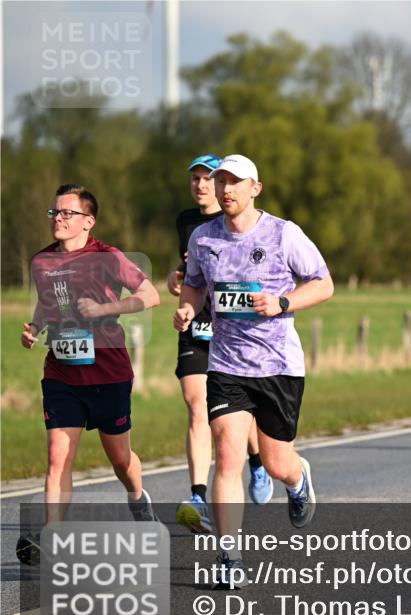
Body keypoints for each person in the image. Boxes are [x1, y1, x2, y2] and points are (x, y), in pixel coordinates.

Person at [173, 154, 333, 589]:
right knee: (227, 455)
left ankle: (297, 480)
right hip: (226, 365)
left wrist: (282, 303)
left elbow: (323, 284)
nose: (225, 189)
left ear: (255, 188)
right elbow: (195, 284)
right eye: (220, 181)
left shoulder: (283, 233)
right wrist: (188, 308)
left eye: (235, 182)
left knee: (278, 462)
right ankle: (229, 557)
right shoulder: (204, 237)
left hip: (278, 365)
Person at [17, 184, 161, 564]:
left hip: (108, 372)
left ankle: (137, 497)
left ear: (88, 221)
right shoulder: (42, 262)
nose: (58, 218)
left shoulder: (107, 257)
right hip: (61, 373)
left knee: (120, 460)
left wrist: (103, 309)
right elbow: (48, 305)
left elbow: (151, 296)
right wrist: (35, 328)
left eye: (67, 213)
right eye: (55, 212)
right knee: (58, 457)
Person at [169, 154, 273, 534]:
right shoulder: (187, 222)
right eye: (195, 179)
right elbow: (188, 273)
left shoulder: (244, 221)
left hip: (235, 328)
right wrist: (177, 282)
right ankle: (198, 496)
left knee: (237, 412)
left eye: (208, 178)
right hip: (197, 322)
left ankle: (258, 461)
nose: (201, 185)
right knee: (198, 406)